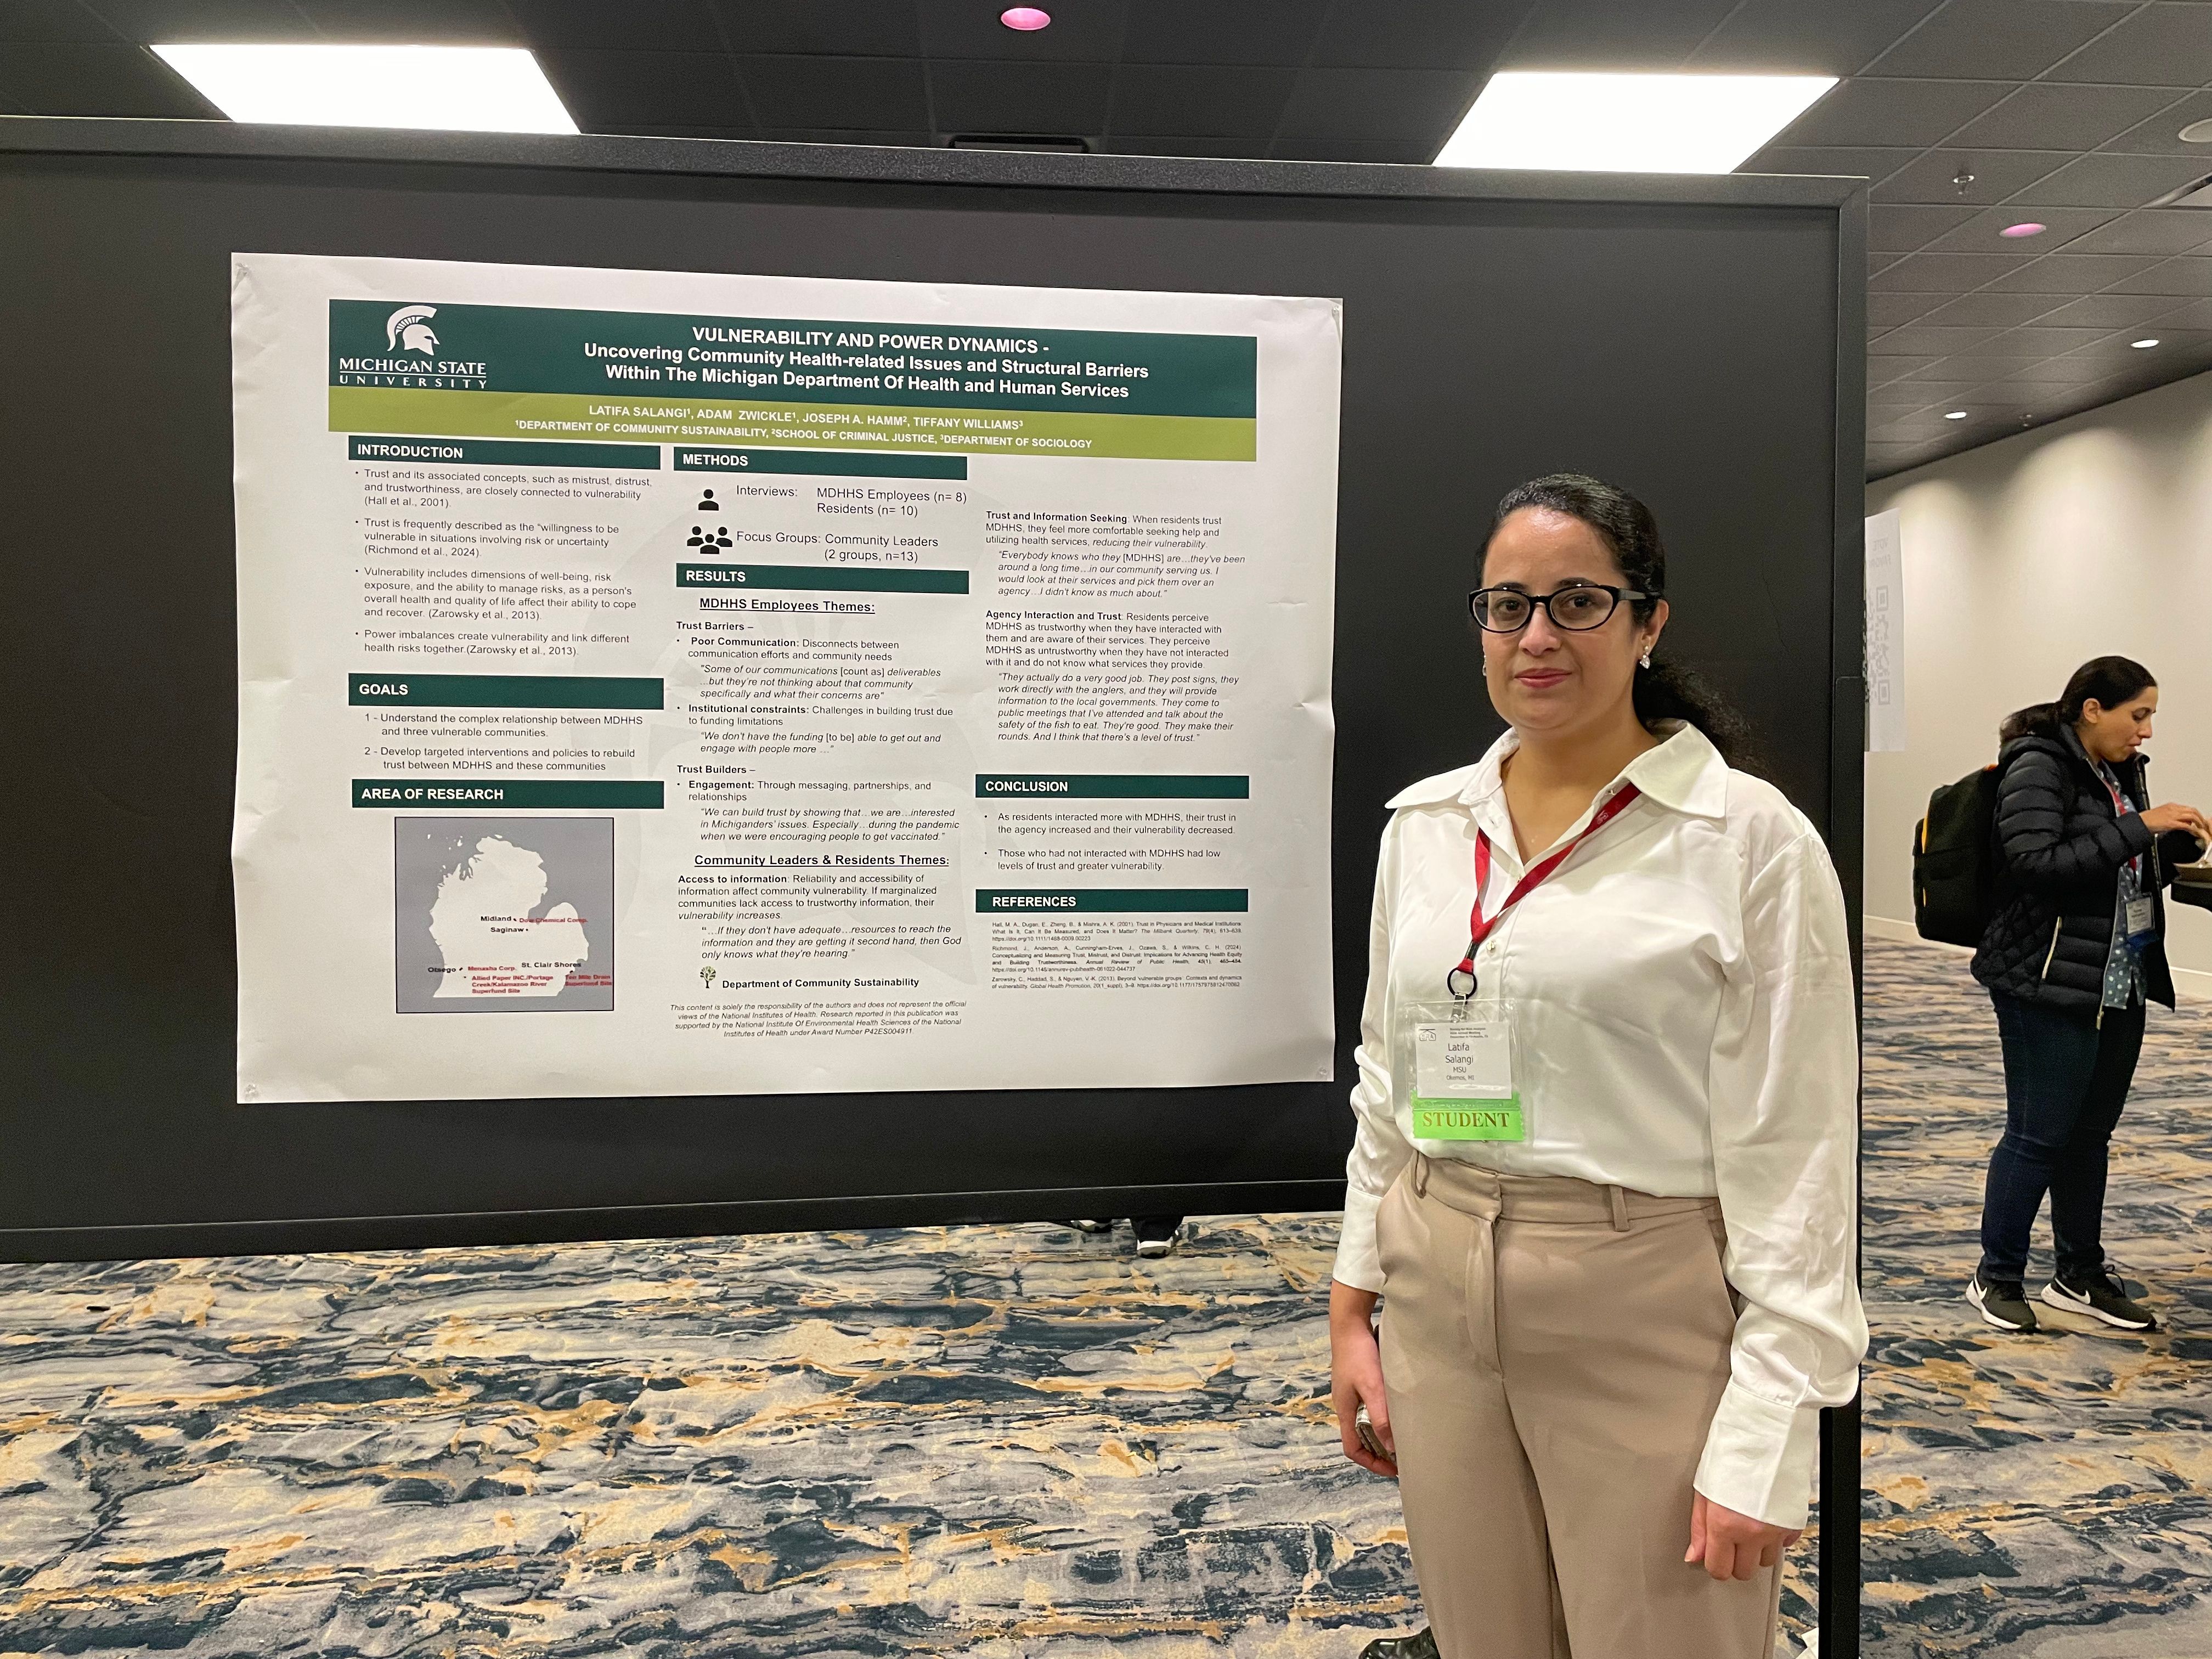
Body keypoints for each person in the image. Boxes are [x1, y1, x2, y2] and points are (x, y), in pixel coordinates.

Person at [1327, 473, 1866, 1659]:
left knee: (1665, 1641)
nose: (1535, 636)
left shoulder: (1748, 842)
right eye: (1506, 604)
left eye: (1579, 602)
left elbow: (1801, 1157)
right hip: (1439, 1280)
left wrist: (1769, 1434)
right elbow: (1388, 1076)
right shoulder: (1425, 826)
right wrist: (1354, 1299)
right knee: (1487, 1638)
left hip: (1642, 1294)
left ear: (1648, 621)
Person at [1966, 657, 2209, 1334]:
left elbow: (2116, 875)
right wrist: (2142, 827)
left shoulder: (2119, 770)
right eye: (2139, 715)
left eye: (2152, 717)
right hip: (2043, 981)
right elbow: (2035, 865)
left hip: (2118, 979)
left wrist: (2170, 849)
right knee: (2038, 1135)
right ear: (2093, 709)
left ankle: (2077, 1274)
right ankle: (1998, 1275)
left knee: (2089, 1137)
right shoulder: (2038, 764)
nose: (2147, 731)